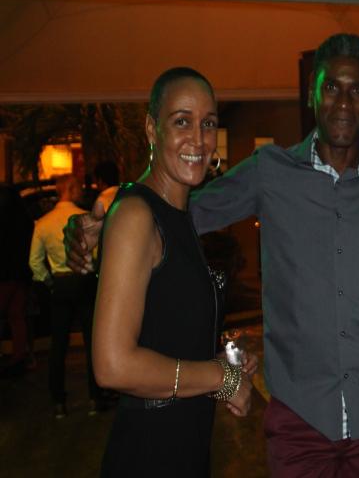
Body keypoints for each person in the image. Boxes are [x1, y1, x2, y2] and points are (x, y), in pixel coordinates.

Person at [66, 35, 359, 478]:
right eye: (331, 87)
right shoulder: (270, 171)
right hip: (300, 422)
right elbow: (177, 210)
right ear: (312, 93)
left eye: (358, 89)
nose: (344, 102)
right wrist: (107, 218)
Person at [92, 67, 255, 476]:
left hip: (186, 446)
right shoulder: (136, 214)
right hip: (149, 454)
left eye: (208, 123)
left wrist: (223, 364)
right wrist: (220, 377)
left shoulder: (180, 217)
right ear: (152, 129)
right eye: (182, 121)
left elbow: (166, 337)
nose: (198, 139)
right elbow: (112, 364)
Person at [28, 174, 101, 417]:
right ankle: (95, 397)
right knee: (92, 341)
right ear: (70, 188)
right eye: (78, 186)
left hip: (60, 284)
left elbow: (34, 262)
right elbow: (96, 255)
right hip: (84, 282)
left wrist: (49, 282)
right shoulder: (85, 219)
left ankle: (59, 401)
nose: (81, 190)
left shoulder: (43, 223)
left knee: (58, 345)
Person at [0, 184, 34, 378]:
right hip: (21, 274)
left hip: (5, 275)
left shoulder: (4, 220)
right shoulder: (25, 220)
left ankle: (17, 358)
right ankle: (19, 357)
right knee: (17, 317)